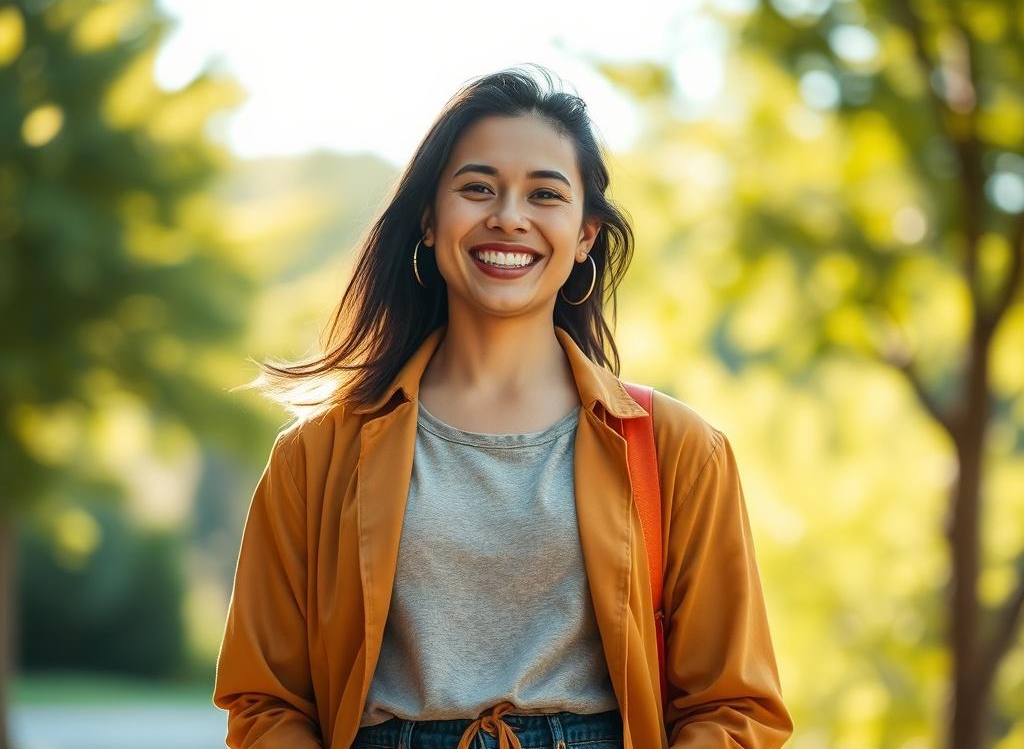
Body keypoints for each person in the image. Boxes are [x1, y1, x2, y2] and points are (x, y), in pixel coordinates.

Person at [212, 65, 794, 749]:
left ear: (585, 236)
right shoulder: (316, 455)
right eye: (478, 188)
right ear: (429, 218)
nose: (509, 216)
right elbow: (266, 701)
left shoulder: (677, 449)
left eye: (545, 194)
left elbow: (736, 707)